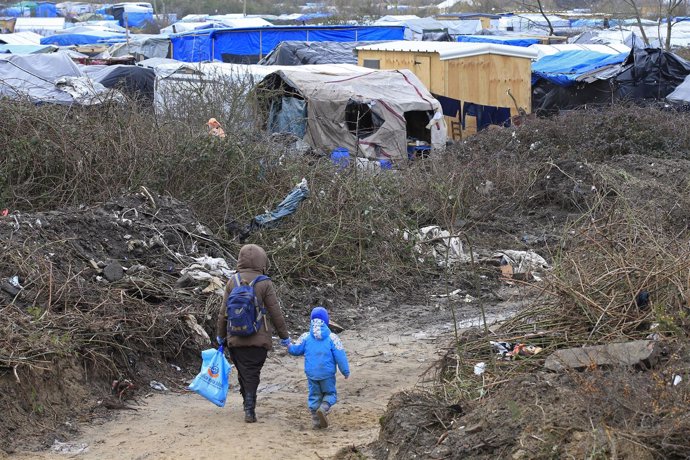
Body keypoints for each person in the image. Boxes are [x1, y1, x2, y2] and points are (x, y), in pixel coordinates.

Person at [216, 244, 290, 423]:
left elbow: (223, 312)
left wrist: (220, 336)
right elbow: (275, 312)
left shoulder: (232, 281)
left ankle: (246, 402)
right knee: (252, 373)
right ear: (262, 260)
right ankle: (250, 407)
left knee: (243, 372)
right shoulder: (265, 282)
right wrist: (284, 337)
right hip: (259, 339)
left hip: (235, 337)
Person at [287, 306, 350, 429]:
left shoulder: (306, 336)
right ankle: (324, 408)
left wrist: (288, 345)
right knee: (330, 393)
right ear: (327, 321)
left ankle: (316, 422)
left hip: (312, 374)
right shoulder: (333, 338)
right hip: (327, 374)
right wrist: (345, 371)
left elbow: (295, 350)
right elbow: (340, 356)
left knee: (314, 395)